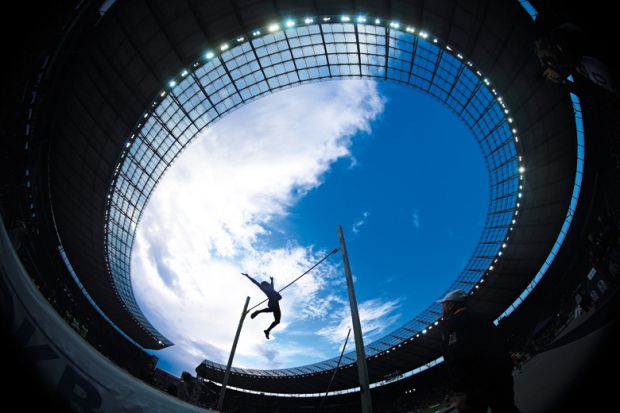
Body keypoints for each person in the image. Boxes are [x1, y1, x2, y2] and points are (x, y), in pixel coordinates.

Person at [438, 289, 520, 413]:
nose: (442, 308)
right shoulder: (483, 317)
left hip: (475, 386)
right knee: (507, 409)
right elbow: (501, 343)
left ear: (451, 305)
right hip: (501, 377)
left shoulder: (452, 325)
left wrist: (459, 391)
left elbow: (456, 358)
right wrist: (507, 368)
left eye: (444, 304)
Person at [242, 273, 282, 339]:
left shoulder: (271, 288)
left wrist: (272, 280)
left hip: (276, 305)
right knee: (272, 309)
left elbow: (272, 285)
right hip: (271, 303)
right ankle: (258, 311)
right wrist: (248, 276)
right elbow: (255, 282)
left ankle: (267, 331)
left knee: (277, 321)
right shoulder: (265, 289)